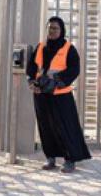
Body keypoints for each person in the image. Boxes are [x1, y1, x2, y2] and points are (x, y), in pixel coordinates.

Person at [27, 16, 92, 172]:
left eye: (55, 28)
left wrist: (56, 80)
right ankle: (51, 158)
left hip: (61, 96)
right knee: (46, 127)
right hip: (41, 94)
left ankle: (70, 159)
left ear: (62, 30)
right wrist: (31, 82)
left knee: (65, 127)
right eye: (49, 28)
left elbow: (74, 70)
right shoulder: (41, 47)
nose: (52, 31)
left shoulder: (69, 48)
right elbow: (31, 67)